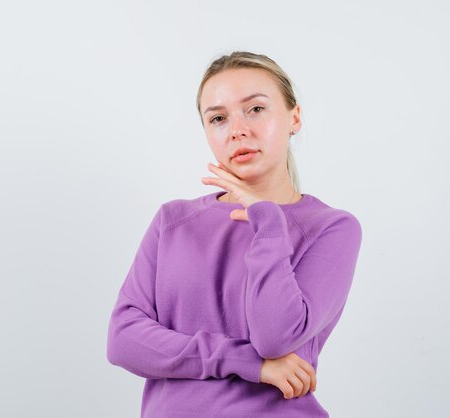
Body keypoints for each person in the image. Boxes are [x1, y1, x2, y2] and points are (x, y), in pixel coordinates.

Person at [106, 51, 363, 418]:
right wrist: (247, 362)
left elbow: (275, 336)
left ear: (295, 117)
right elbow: (124, 340)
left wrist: (268, 223)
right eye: (218, 118)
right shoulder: (172, 220)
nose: (237, 129)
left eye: (256, 109)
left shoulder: (332, 228)